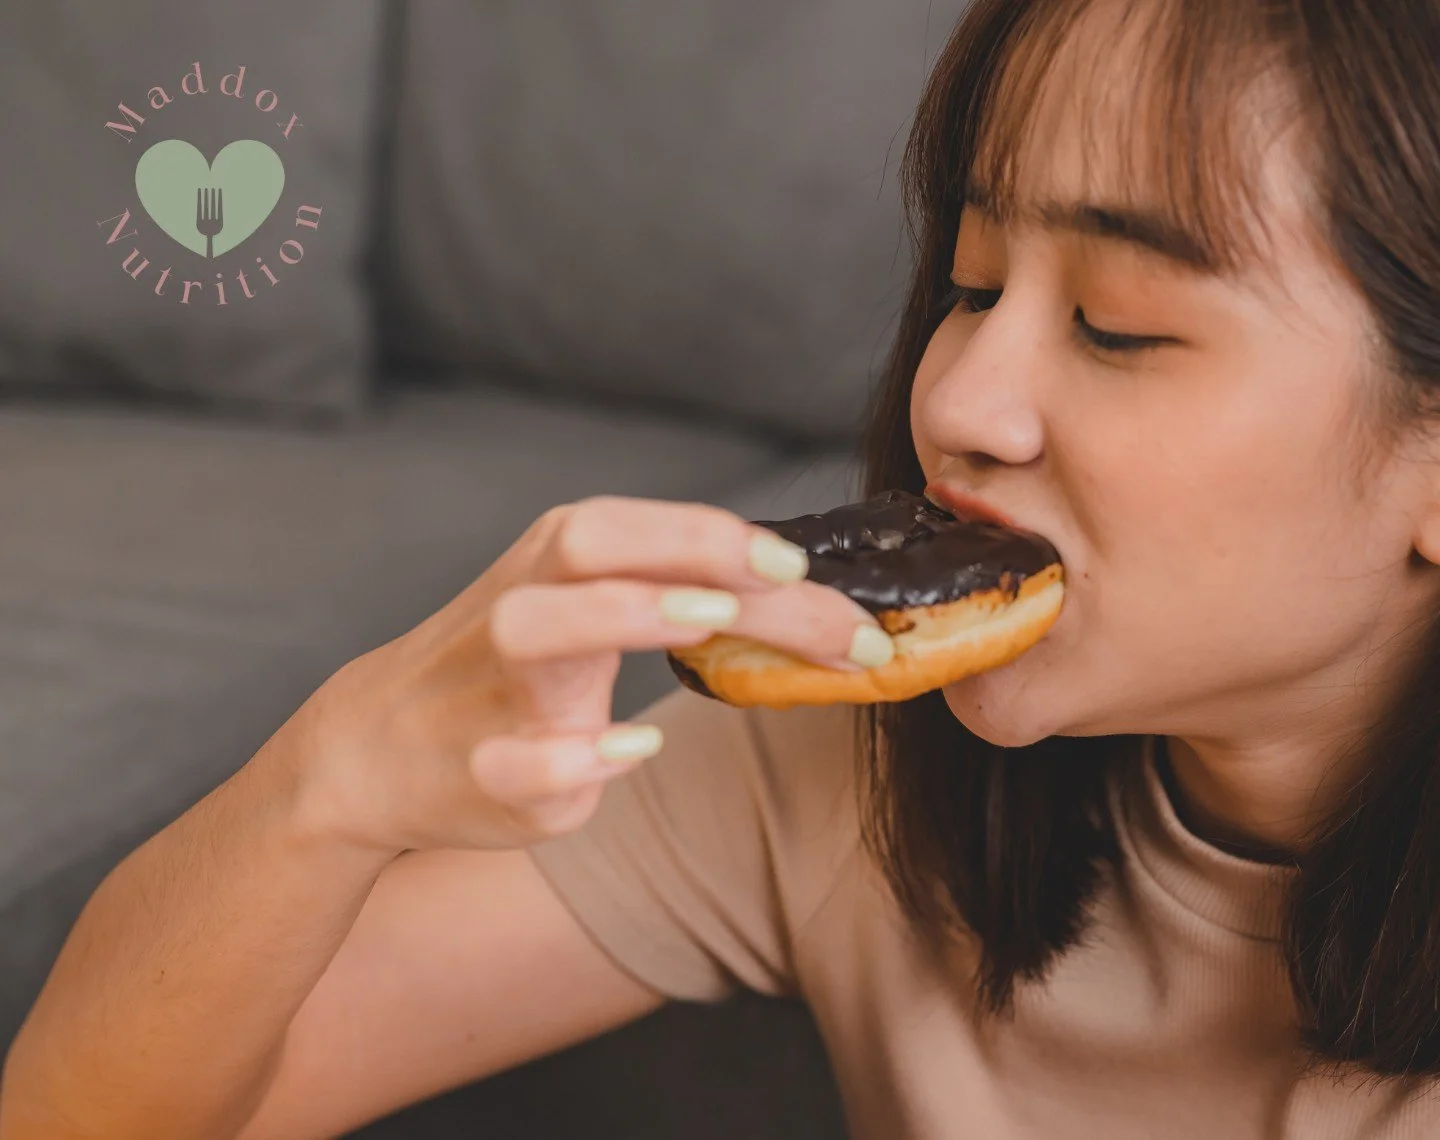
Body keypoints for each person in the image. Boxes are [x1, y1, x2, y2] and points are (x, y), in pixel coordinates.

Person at [7, 0, 1440, 1135]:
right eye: (975, 281)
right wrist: (333, 782)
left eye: (1119, 323)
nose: (957, 403)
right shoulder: (847, 775)